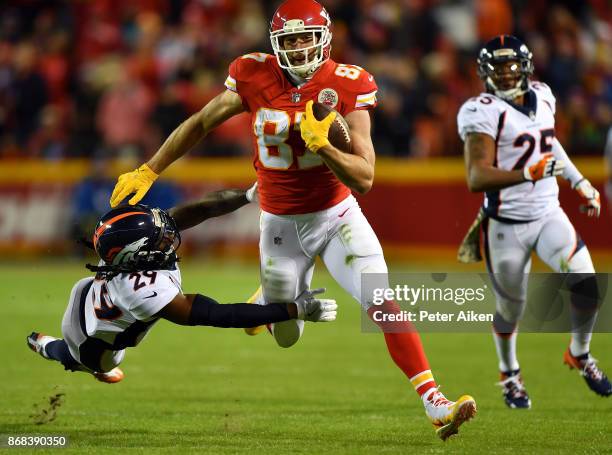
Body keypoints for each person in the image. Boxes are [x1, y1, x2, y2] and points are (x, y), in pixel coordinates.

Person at [109, 0, 475, 440]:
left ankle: (434, 401)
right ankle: (273, 295)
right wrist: (150, 168)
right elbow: (202, 121)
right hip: (280, 226)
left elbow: (366, 177)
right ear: (275, 43)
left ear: (324, 38)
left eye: (306, 38)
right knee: (287, 335)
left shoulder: (347, 82)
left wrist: (326, 148)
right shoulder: (253, 73)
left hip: (337, 215)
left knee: (382, 302)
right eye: (290, 40)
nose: (299, 48)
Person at [27, 186, 337, 383]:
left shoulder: (125, 251)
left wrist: (251, 194)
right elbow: (218, 315)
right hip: (93, 342)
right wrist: (294, 309)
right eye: (158, 237)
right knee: (77, 358)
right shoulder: (144, 292)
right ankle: (43, 344)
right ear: (140, 255)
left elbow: (203, 208)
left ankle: (56, 350)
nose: (167, 234)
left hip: (88, 293)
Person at [457, 35, 611, 409]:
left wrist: (580, 182)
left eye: (513, 67)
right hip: (505, 224)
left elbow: (549, 143)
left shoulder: (542, 95)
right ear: (485, 74)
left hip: (547, 213)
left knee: (588, 286)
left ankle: (580, 353)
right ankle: (509, 373)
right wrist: (529, 172)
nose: (507, 75)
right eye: (499, 68)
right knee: (512, 308)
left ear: (526, 68)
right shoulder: (482, 109)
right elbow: (477, 177)